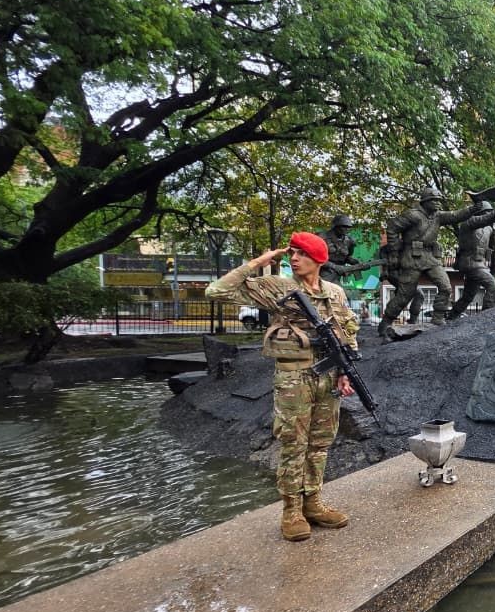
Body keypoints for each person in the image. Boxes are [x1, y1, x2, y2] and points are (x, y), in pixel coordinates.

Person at [205, 232, 358, 541]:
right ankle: (291, 511)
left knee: (320, 444)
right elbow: (216, 291)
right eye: (292, 253)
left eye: (301, 253)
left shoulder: (335, 292)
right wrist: (259, 262)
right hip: (293, 378)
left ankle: (313, 503)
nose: (293, 258)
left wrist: (345, 371)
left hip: (327, 378)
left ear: (318, 258)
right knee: (294, 444)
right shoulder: (278, 287)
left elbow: (346, 332)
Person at [379, 187, 480, 335]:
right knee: (405, 294)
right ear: (426, 201)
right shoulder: (412, 215)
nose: (438, 204)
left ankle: (437, 318)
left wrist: (472, 209)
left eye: (439, 201)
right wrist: (394, 253)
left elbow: (455, 215)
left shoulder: (438, 216)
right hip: (412, 256)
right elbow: (393, 228)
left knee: (446, 286)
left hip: (430, 256)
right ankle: (386, 321)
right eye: (435, 200)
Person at [448, 201, 495, 320]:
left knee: (468, 296)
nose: (489, 215)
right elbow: (484, 219)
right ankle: (486, 319)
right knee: (493, 287)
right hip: (470, 263)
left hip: (480, 264)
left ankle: (451, 316)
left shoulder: (488, 229)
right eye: (487, 213)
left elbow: (490, 245)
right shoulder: (468, 223)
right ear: (480, 214)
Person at [319, 215, 377, 286]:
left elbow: (347, 257)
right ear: (335, 226)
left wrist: (358, 263)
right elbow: (314, 257)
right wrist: (334, 267)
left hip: (338, 274)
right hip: (322, 273)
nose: (346, 229)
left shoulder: (349, 241)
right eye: (344, 226)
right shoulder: (321, 238)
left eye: (348, 227)